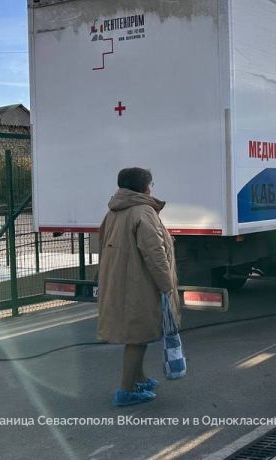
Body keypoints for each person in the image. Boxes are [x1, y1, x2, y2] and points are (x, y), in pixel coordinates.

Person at [97, 167, 181, 407]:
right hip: (139, 282)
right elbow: (154, 253)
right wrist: (166, 285)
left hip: (122, 279)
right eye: (151, 184)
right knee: (137, 335)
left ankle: (139, 377)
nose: (152, 188)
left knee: (139, 333)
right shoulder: (143, 211)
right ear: (144, 187)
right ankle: (126, 389)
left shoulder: (115, 210)